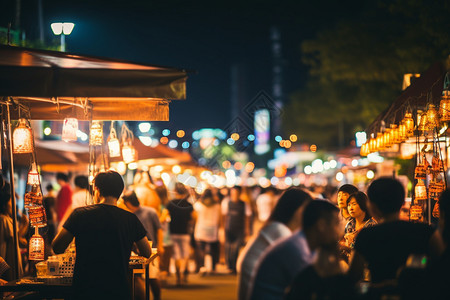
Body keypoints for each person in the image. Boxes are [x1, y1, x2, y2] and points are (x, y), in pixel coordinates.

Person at [52, 171, 151, 300]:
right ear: (120, 192)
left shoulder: (79, 214)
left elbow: (57, 247)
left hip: (85, 288)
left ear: (97, 190)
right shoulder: (130, 218)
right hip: (118, 288)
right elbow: (147, 252)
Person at [348, 177, 444, 284]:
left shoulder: (366, 236)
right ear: (402, 202)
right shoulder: (426, 231)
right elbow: (443, 268)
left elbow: (352, 278)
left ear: (371, 206)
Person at [247, 200, 342, 300]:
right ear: (321, 225)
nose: (339, 232)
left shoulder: (303, 243)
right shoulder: (297, 250)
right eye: (336, 224)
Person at [237, 188, 312, 300]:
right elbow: (302, 267)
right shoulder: (279, 231)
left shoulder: (275, 227)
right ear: (297, 210)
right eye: (307, 209)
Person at [123, 190, 163, 300]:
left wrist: (160, 245)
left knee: (152, 277)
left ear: (128, 202)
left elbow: (159, 229)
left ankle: (157, 298)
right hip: (136, 251)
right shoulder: (130, 215)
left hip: (151, 248)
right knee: (137, 277)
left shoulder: (150, 211)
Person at [166, 182, 196, 285]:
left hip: (173, 232)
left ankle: (178, 277)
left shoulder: (171, 203)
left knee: (176, 256)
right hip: (185, 232)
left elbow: (165, 215)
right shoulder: (189, 205)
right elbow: (194, 218)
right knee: (185, 255)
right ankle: (184, 274)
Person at [222, 186, 252, 274]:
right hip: (228, 228)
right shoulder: (226, 202)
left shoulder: (244, 204)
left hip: (239, 229)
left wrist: (247, 230)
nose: (234, 195)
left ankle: (234, 267)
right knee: (228, 248)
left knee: (236, 248)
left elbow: (247, 217)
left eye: (236, 193)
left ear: (239, 194)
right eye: (233, 193)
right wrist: (222, 228)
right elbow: (223, 216)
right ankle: (229, 266)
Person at [340, 192, 376, 260]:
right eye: (349, 205)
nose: (350, 208)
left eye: (354, 204)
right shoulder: (349, 224)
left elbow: (369, 252)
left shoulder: (371, 226)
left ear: (363, 205)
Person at [194, 188, 221, 274]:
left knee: (201, 249)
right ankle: (213, 268)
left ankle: (202, 266)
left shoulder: (198, 205)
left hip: (201, 228)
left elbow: (195, 217)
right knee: (213, 249)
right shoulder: (217, 205)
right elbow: (219, 218)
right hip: (213, 228)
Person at [0, 181, 23, 281]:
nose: (13, 206)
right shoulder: (4, 220)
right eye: (11, 203)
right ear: (4, 205)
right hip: (8, 261)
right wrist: (25, 225)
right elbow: (17, 238)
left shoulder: (6, 219)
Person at [154, 184, 172, 286]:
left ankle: (162, 281)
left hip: (162, 237)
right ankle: (162, 280)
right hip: (167, 237)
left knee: (162, 262)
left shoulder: (158, 207)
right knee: (164, 262)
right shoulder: (166, 206)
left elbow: (159, 222)